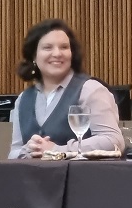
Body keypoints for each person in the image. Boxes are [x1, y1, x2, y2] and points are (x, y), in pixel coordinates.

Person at [8, 19, 125, 159]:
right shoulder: (23, 99)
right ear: (34, 56)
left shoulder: (90, 90)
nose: (57, 53)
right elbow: (13, 153)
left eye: (64, 47)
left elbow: (113, 141)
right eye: (48, 48)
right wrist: (28, 150)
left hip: (83, 173)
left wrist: (58, 150)